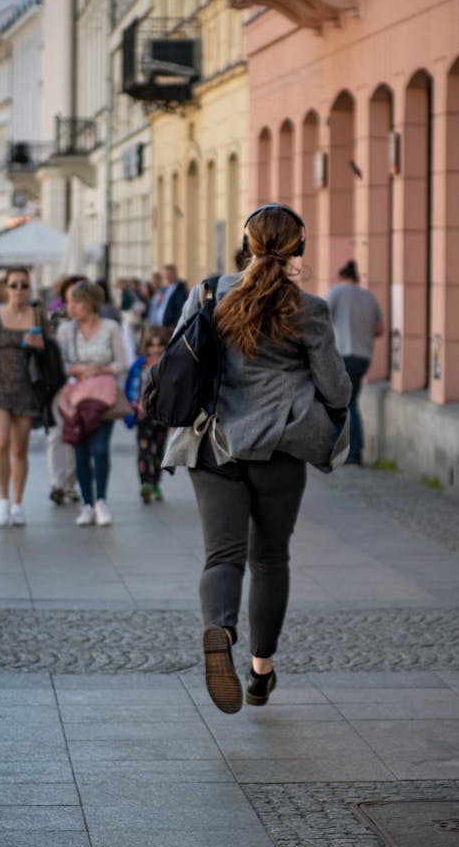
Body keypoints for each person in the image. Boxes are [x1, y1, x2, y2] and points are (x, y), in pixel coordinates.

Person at [163, 204, 351, 714]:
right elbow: (336, 387)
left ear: (246, 245)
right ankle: (260, 671)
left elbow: (180, 354)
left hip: (214, 443)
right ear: (300, 249)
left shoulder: (208, 292)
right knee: (269, 558)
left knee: (222, 557)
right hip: (279, 448)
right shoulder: (308, 309)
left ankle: (220, 630)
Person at [0, 267, 48, 526]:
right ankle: (2, 501)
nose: (19, 290)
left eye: (24, 285)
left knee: (19, 448)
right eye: (14, 285)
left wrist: (41, 346)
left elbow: (49, 353)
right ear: (5, 288)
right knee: (1, 443)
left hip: (26, 387)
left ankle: (18, 503)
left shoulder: (37, 316)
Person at [57, 279, 128, 527]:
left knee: (99, 448)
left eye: (76, 302)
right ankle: (86, 504)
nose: (71, 307)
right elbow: (59, 365)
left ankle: (101, 500)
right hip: (77, 398)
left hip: (103, 397)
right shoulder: (66, 331)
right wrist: (76, 368)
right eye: (69, 303)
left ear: (90, 303)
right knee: (80, 450)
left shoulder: (110, 328)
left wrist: (99, 368)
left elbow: (123, 363)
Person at [325, 260, 384, 467]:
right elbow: (379, 329)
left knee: (345, 405)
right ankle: (351, 450)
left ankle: (353, 453)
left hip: (343, 354)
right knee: (350, 403)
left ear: (341, 277)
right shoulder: (369, 297)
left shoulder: (336, 291)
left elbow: (321, 318)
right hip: (363, 357)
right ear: (357, 278)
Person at [46, 274, 87, 505]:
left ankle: (71, 484)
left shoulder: (92, 321)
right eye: (71, 296)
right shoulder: (54, 319)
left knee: (76, 435)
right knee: (55, 434)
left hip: (83, 387)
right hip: (58, 384)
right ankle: (56, 483)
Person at [125, 327, 170, 505]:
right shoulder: (139, 366)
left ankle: (155, 483)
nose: (155, 349)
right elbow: (130, 388)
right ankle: (145, 483)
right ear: (146, 346)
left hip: (162, 416)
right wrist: (133, 407)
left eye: (159, 345)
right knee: (144, 450)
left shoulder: (169, 364)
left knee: (159, 452)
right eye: (151, 345)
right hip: (143, 416)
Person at [148, 263, 188, 328]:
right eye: (165, 275)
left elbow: (180, 309)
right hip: (160, 326)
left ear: (174, 274)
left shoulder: (180, 290)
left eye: (168, 274)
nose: (166, 277)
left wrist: (175, 324)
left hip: (171, 326)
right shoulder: (166, 289)